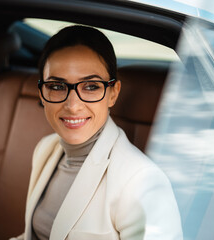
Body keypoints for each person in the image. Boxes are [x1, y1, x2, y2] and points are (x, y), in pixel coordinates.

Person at [12, 25, 182, 240]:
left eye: (91, 87)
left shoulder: (142, 181)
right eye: (57, 86)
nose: (73, 105)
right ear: (42, 93)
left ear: (113, 93)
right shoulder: (45, 148)